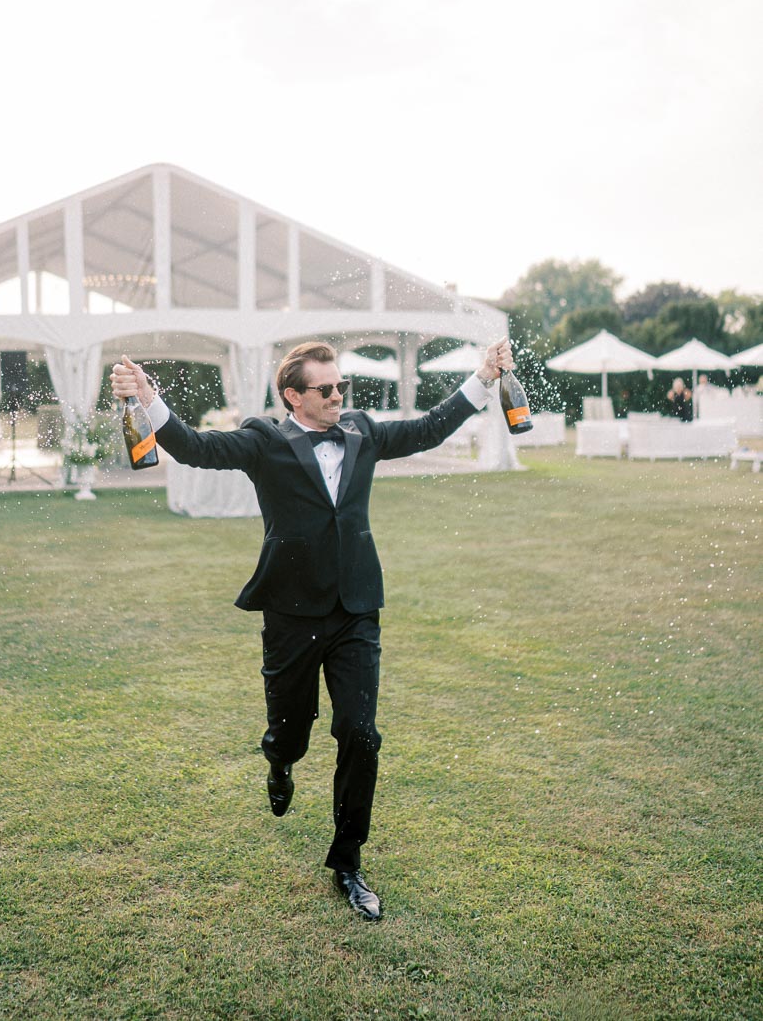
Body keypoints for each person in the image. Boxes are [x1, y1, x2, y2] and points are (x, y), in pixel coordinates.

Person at [111, 335, 513, 921]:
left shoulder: (363, 432)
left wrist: (482, 376)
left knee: (361, 731)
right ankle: (280, 760)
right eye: (325, 389)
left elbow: (430, 427)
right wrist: (149, 400)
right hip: (291, 615)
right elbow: (196, 448)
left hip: (355, 609)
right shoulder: (264, 440)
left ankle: (348, 861)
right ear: (293, 396)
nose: (337, 396)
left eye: (340, 386)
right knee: (291, 730)